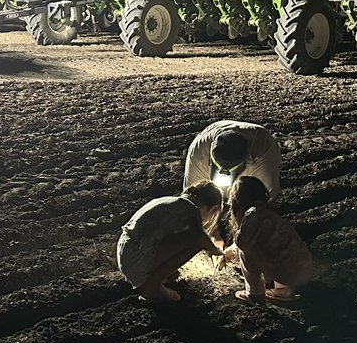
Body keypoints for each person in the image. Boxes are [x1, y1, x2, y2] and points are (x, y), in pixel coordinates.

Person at [117, 182, 225, 302]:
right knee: (195, 243)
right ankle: (152, 286)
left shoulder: (170, 201)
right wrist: (218, 252)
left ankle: (149, 277)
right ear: (213, 209)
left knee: (182, 243)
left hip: (125, 253)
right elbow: (199, 237)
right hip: (136, 258)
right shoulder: (191, 209)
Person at [226, 175, 313, 303]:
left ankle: (255, 294)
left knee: (245, 252)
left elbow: (242, 242)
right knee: (275, 246)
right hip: (304, 267)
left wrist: (235, 242)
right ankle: (284, 291)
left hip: (287, 273)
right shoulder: (270, 214)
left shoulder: (252, 214)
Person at [183, 120, 281, 199]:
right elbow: (191, 198)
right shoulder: (199, 154)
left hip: (258, 141)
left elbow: (267, 199)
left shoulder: (263, 155)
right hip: (215, 128)